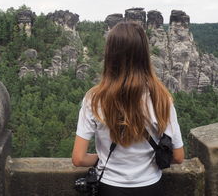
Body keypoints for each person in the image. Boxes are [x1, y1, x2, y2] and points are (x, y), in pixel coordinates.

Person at [72, 21, 184, 196]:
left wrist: (100, 158)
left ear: (110, 55)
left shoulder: (94, 99)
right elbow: (178, 156)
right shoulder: (161, 98)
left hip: (109, 188)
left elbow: (78, 159)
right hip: (150, 188)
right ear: (144, 55)